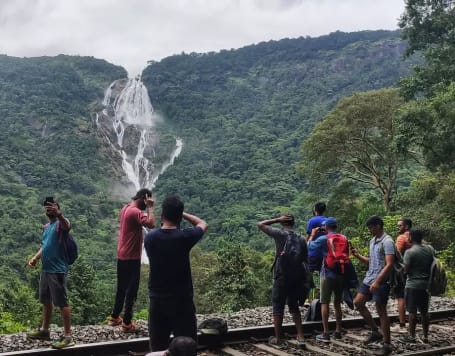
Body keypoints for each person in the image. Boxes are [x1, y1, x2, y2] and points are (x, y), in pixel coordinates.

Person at [144, 196, 208, 352]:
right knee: (187, 347)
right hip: (182, 301)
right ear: (179, 217)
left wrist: (150, 208)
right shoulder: (185, 237)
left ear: (162, 215)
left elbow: (155, 227)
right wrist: (182, 214)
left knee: (158, 348)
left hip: (157, 301)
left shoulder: (150, 238)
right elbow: (202, 224)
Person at [26, 198, 75, 349]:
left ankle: (68, 337)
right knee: (46, 301)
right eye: (47, 208)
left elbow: (67, 225)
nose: (49, 209)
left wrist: (60, 215)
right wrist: (35, 257)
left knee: (62, 302)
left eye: (52, 207)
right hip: (46, 269)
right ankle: (44, 331)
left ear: (58, 209)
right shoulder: (47, 227)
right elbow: (45, 245)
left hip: (57, 270)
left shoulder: (61, 224)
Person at [107, 188, 155, 332]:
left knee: (121, 287)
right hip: (131, 257)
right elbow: (151, 224)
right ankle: (127, 323)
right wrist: (151, 208)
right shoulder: (136, 212)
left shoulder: (125, 208)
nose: (147, 205)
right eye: (147, 202)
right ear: (143, 198)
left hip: (122, 253)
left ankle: (115, 316)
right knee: (132, 290)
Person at [257, 214, 306, 347]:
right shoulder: (301, 238)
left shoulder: (280, 234)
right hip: (296, 277)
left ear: (283, 223)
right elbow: (305, 259)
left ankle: (278, 338)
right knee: (293, 305)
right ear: (293, 224)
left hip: (281, 275)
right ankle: (301, 336)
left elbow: (260, 224)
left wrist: (277, 219)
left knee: (278, 306)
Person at [352, 216, 394, 356]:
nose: (369, 230)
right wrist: (357, 255)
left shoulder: (387, 241)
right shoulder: (372, 241)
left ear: (377, 226)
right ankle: (375, 331)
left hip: (381, 281)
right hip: (369, 278)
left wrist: (378, 281)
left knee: (381, 310)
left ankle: (387, 344)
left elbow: (389, 264)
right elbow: (373, 261)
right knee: (358, 302)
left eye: (371, 227)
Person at [308, 217, 345, 343]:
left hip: (327, 274)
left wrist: (312, 235)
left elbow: (310, 247)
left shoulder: (324, 238)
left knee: (325, 302)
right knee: (337, 303)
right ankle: (338, 331)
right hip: (340, 273)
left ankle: (326, 332)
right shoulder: (343, 238)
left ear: (326, 227)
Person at [400, 229, 434, 344]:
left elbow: (405, 270)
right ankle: (425, 336)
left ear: (411, 238)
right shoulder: (430, 249)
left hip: (413, 286)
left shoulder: (410, 252)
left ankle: (412, 335)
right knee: (425, 312)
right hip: (426, 285)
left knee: (412, 311)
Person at [391, 217, 413, 333]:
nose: (397, 227)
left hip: (402, 272)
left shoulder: (401, 238)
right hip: (414, 272)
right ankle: (411, 322)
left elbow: (395, 255)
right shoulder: (414, 238)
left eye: (400, 225)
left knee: (401, 297)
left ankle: (402, 324)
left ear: (406, 227)